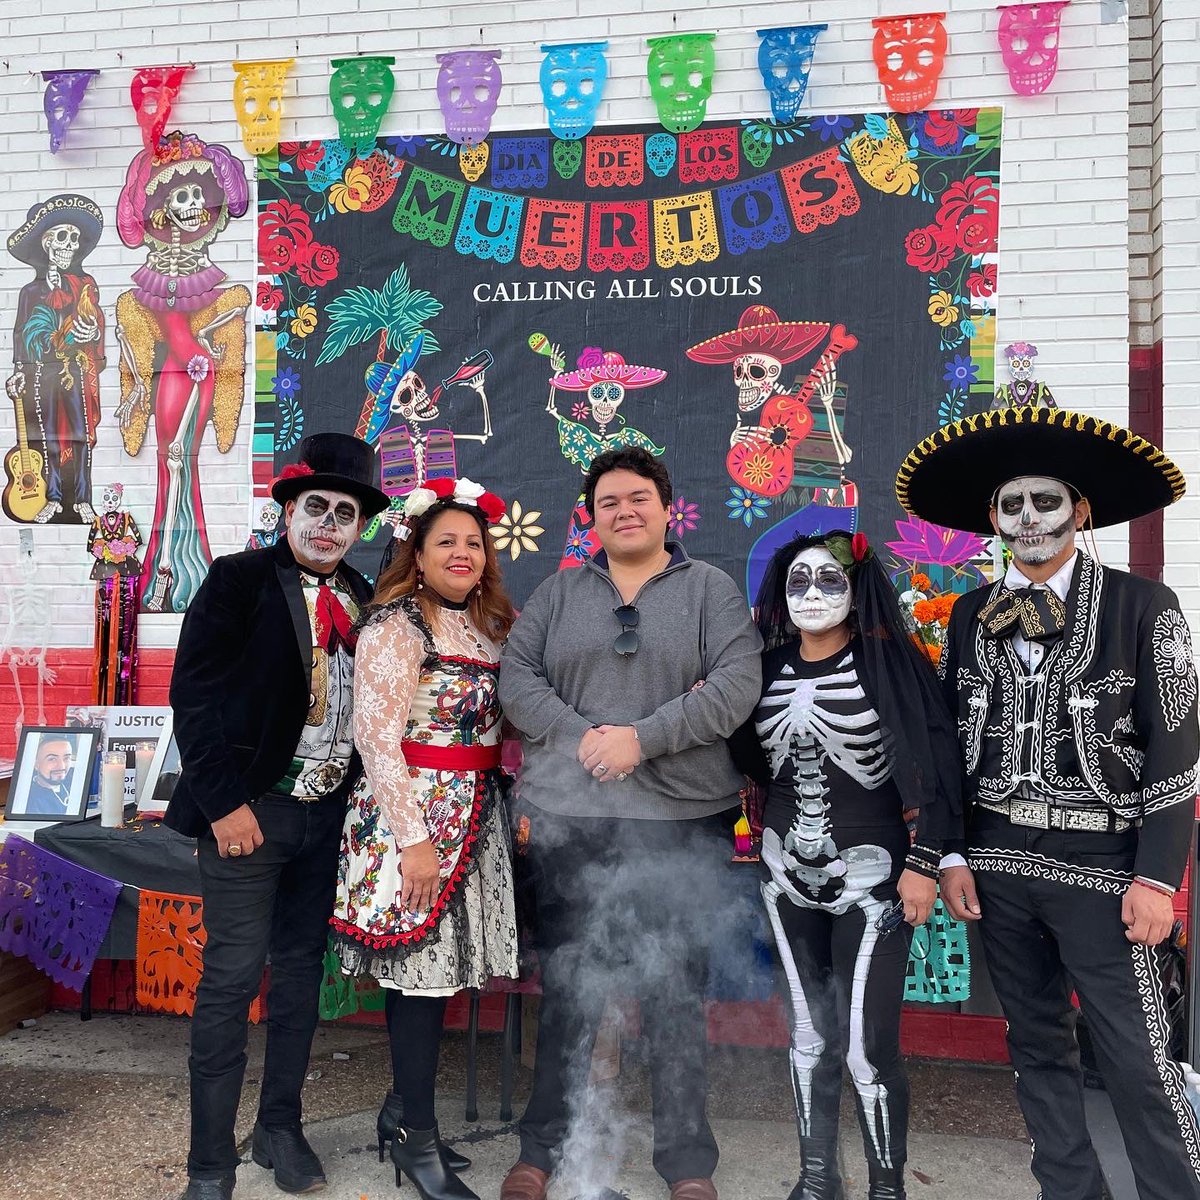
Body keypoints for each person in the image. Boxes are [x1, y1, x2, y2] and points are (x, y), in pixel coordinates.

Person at [895, 405, 1200, 1200]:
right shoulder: (967, 614)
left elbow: (1177, 748)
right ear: (994, 520)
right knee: (1034, 1052)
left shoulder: (1146, 606)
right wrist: (949, 853)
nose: (1028, 519)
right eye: (1011, 505)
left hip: (1104, 867)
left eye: (1045, 501)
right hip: (995, 865)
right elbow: (951, 746)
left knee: (1136, 1057)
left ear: (1080, 511)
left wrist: (1159, 878)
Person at [498, 446, 763, 1200]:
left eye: (638, 497)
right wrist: (583, 735)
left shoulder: (710, 591)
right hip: (570, 821)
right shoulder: (556, 593)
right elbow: (518, 679)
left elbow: (738, 684)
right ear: (590, 515)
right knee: (572, 991)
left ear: (667, 506)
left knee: (675, 996)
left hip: (683, 820)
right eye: (609, 500)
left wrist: (641, 740)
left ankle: (686, 1164)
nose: (624, 510)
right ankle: (540, 1151)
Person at [166, 432, 385, 1200]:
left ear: (361, 525)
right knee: (229, 983)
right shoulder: (237, 581)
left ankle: (278, 1129)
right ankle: (209, 1163)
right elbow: (192, 695)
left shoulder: (368, 599)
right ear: (288, 510)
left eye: (345, 513)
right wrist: (223, 803)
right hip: (246, 818)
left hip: (325, 823)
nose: (328, 523)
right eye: (315, 507)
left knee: (298, 979)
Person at [731, 530, 961, 1200]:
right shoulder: (765, 669)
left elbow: (939, 764)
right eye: (798, 581)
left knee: (867, 1045)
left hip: (873, 879)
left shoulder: (891, 666)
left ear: (856, 587)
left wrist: (924, 860)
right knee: (808, 1036)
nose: (810, 594)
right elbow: (747, 758)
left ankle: (887, 1187)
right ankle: (816, 1178)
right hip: (782, 876)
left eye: (828, 580)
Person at [329, 476, 518, 1200]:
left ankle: (398, 1112)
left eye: (474, 542)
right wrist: (414, 839)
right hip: (414, 816)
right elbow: (376, 741)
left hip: (475, 813)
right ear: (417, 549)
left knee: (442, 978)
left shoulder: (483, 623)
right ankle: (417, 1142)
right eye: (447, 541)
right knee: (421, 978)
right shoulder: (396, 625)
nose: (463, 553)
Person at [25, 734, 77, 816]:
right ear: (36, 764)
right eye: (52, 759)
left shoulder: (76, 782)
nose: (61, 766)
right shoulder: (29, 800)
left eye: (66, 758)